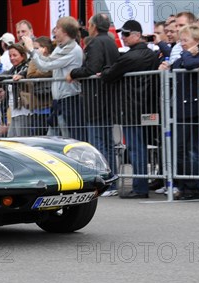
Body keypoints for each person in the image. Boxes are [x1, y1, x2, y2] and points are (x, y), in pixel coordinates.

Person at [101, 19, 161, 199]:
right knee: (143, 146)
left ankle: (140, 187)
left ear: (137, 35)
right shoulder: (149, 54)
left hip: (131, 108)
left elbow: (109, 74)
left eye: (126, 34)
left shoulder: (132, 56)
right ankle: (142, 185)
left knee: (136, 148)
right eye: (122, 34)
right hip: (146, 106)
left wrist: (105, 68)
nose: (123, 37)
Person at [68, 13, 120, 195]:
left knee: (99, 143)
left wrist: (74, 73)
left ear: (95, 26)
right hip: (105, 97)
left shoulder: (96, 43)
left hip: (97, 99)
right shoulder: (111, 42)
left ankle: (107, 182)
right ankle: (111, 182)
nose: (87, 27)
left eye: (89, 24)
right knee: (106, 141)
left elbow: (92, 68)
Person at [166, 24, 199, 200]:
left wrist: (187, 55)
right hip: (179, 109)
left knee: (192, 149)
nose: (182, 44)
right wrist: (185, 55)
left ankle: (193, 187)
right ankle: (183, 185)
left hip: (192, 110)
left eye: (185, 40)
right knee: (181, 149)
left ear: (197, 41)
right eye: (181, 40)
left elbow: (189, 64)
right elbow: (175, 65)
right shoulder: (186, 56)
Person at [22, 16, 84, 139]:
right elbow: (46, 62)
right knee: (51, 139)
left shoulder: (72, 49)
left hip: (69, 100)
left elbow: (45, 65)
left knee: (69, 139)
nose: (54, 30)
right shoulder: (61, 47)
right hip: (58, 100)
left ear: (65, 32)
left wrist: (31, 50)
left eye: (57, 28)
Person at [0, 43, 30, 137]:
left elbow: (7, 76)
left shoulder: (25, 67)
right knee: (11, 138)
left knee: (21, 139)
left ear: (23, 56)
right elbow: (4, 75)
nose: (12, 58)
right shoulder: (13, 69)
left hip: (23, 110)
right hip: (14, 110)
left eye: (15, 55)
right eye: (10, 56)